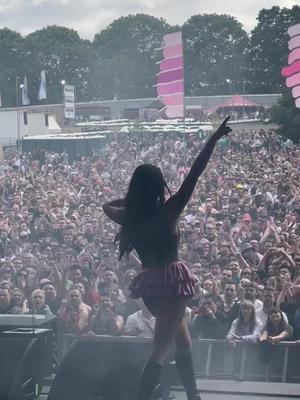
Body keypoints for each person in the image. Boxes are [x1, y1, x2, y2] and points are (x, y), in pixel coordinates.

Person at [102, 117, 232, 400]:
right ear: (158, 187)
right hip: (172, 283)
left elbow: (106, 205)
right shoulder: (168, 211)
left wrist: (133, 200)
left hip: (150, 285)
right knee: (160, 350)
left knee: (183, 341)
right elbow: (194, 174)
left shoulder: (129, 216)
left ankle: (193, 395)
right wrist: (214, 139)